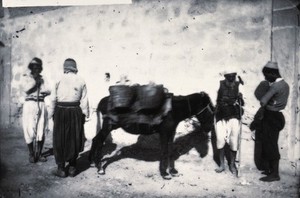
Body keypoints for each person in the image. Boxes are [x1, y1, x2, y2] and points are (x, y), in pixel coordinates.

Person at [50, 58, 89, 178]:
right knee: (74, 137)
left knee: (59, 138)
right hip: (75, 111)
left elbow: (53, 98)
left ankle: (61, 169)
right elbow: (84, 100)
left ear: (65, 68)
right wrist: (85, 115)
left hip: (61, 111)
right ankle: (72, 167)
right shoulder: (81, 80)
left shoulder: (58, 79)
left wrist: (52, 113)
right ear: (75, 68)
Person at [256, 61, 289, 182]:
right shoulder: (285, 85)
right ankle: (271, 170)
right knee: (271, 142)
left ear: (272, 73)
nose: (265, 78)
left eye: (266, 75)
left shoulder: (274, 86)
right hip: (278, 116)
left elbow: (263, 101)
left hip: (271, 116)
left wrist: (265, 92)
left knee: (271, 145)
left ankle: (275, 174)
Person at [214, 72, 244, 176]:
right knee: (220, 139)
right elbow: (215, 100)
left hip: (234, 117)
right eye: (229, 76)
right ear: (225, 77)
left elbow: (243, 103)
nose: (231, 78)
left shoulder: (239, 85)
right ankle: (222, 164)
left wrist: (240, 98)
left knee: (234, 140)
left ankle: (232, 164)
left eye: (233, 76)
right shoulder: (219, 84)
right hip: (221, 116)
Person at [22, 57, 51, 163]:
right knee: (29, 129)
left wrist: (43, 89)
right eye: (34, 68)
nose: (36, 70)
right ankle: (31, 153)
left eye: (38, 67)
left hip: (41, 104)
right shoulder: (26, 78)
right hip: (30, 105)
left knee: (41, 128)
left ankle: (38, 154)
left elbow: (48, 90)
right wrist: (34, 81)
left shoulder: (43, 78)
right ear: (31, 68)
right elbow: (26, 89)